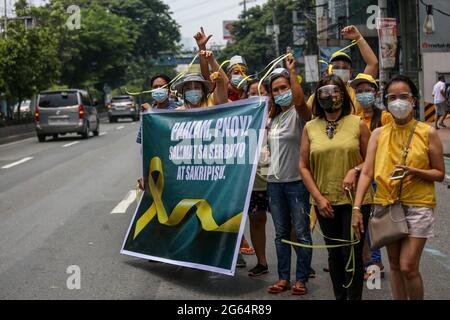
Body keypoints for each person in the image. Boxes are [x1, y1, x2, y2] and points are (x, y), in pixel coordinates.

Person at [352, 75, 445, 300]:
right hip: (386, 205)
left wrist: (415, 172)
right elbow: (367, 172)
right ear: (385, 101)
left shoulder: (428, 132)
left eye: (403, 96)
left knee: (407, 266)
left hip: (419, 205)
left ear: (413, 100)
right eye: (392, 97)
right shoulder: (378, 134)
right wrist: (356, 207)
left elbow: (440, 174)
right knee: (393, 265)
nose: (398, 102)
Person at [299, 74, 373, 300]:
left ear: (343, 94)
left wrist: (355, 170)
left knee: (351, 254)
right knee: (334, 256)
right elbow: (303, 166)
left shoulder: (357, 124)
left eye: (334, 90)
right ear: (317, 97)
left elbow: (371, 161)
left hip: (355, 202)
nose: (329, 96)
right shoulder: (310, 127)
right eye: (323, 92)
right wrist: (318, 199)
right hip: (324, 202)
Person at [266, 54, 312, 295]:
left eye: (284, 87)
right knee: (281, 234)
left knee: (302, 232)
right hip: (275, 184)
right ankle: (283, 278)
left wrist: (292, 73)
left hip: (297, 183)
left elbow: (300, 100)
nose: (280, 92)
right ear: (271, 94)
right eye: (276, 89)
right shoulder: (271, 119)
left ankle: (301, 279)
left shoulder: (299, 114)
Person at [350, 73, 391, 279]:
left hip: (380, 177)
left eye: (367, 90)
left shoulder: (384, 117)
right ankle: (370, 262)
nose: (363, 94)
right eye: (359, 91)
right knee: (362, 220)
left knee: (375, 221)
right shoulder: (354, 119)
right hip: (362, 175)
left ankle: (375, 263)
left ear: (375, 92)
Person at [307, 25, 379, 115]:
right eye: (336, 68)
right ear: (327, 71)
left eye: (344, 68)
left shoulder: (357, 90)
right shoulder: (317, 96)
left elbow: (372, 64)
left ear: (350, 72)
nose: (341, 70)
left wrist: (358, 38)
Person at [245, 79, 272, 276]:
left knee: (288, 223)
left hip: (279, 181)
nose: (257, 97)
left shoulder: (279, 116)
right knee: (256, 220)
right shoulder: (240, 119)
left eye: (262, 92)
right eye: (252, 93)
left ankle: (303, 266)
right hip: (254, 183)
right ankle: (262, 262)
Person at [136, 74, 178, 145]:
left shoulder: (179, 110)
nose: (158, 89)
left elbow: (168, 133)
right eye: (155, 87)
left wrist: (152, 113)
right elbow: (143, 141)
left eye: (162, 87)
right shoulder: (147, 112)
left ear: (170, 90)